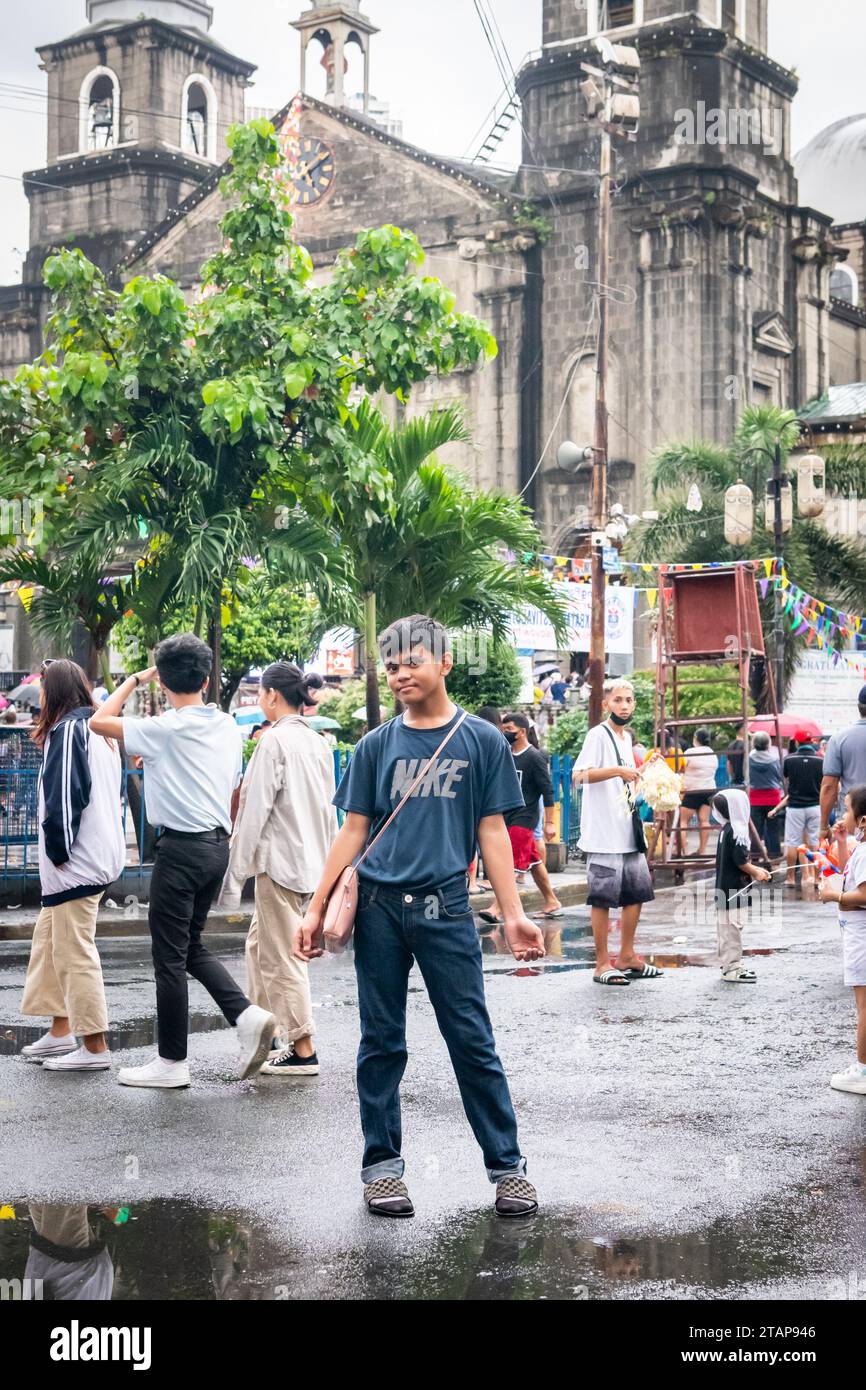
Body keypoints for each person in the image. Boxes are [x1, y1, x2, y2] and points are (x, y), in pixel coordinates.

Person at [295, 614, 545, 1220]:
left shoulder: (482, 741)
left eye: (412, 662)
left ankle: (507, 1168)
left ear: (444, 664)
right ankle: (381, 1169)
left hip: (448, 909)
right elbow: (351, 829)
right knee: (381, 1043)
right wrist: (315, 906)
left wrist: (512, 915)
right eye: (393, 666)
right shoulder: (377, 745)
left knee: (471, 1040)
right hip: (378, 910)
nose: (402, 674)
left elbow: (492, 831)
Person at [90, 634, 276, 1089]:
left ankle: (172, 1061)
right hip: (216, 848)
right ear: (208, 679)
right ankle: (246, 1015)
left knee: (168, 957)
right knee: (190, 946)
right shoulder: (226, 726)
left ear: (165, 682)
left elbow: (99, 721)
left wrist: (134, 678)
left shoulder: (164, 728)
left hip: (181, 850)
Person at [219, 661, 338, 1077]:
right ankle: (267, 1031)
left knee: (283, 958)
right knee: (259, 950)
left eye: (259, 694)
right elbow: (330, 810)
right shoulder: (319, 743)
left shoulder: (274, 742)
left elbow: (254, 812)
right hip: (311, 864)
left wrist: (234, 875)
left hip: (279, 864)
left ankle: (303, 1047)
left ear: (271, 695)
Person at [19, 660, 125, 1072]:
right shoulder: (98, 729)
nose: (40, 696)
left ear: (54, 692)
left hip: (75, 863)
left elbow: (66, 798)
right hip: (95, 857)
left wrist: (60, 854)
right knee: (50, 944)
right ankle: (61, 1029)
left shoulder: (67, 731)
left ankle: (94, 1046)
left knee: (73, 951)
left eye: (44, 688)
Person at [574, 678, 661, 986]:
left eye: (628, 700)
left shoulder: (626, 739)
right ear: (605, 704)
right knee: (602, 898)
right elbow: (578, 776)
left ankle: (626, 956)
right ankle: (601, 964)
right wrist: (617, 771)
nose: (624, 705)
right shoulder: (598, 735)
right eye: (618, 700)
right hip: (603, 833)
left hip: (628, 829)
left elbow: (626, 786)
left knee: (636, 895)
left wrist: (647, 774)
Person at [479, 712, 562, 924]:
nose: (505, 734)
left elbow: (548, 790)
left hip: (526, 816)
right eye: (503, 730)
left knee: (509, 862)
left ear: (522, 732)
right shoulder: (505, 754)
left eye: (509, 731)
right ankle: (552, 902)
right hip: (506, 815)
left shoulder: (534, 757)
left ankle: (498, 908)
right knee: (534, 861)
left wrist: (550, 822)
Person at [818, 785, 866, 1093]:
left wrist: (833, 894)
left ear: (863, 820)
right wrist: (841, 841)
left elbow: (863, 893)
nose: (843, 815)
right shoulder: (860, 848)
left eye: (847, 810)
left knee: (864, 1004)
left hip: (861, 937)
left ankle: (863, 1069)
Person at [711, 789, 772, 983]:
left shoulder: (726, 829)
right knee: (733, 929)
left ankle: (728, 964)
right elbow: (741, 862)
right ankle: (732, 968)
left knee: (726, 929)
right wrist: (757, 872)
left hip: (723, 888)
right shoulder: (737, 831)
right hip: (733, 890)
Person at [774, 729, 824, 888]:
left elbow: (786, 778)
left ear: (796, 742)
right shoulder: (820, 761)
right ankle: (817, 878)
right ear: (811, 742)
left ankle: (789, 878)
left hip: (795, 806)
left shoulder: (789, 760)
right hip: (815, 806)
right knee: (815, 843)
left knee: (793, 843)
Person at [821, 688, 866, 840]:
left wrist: (823, 826)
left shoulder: (839, 739)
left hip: (853, 823)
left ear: (859, 707)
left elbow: (829, 786)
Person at [679, 727, 718, 857]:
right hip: (709, 790)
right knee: (704, 820)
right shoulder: (712, 753)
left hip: (693, 790)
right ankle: (702, 851)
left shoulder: (690, 752)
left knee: (683, 821)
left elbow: (681, 768)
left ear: (696, 739)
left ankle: (684, 852)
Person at [748, 731, 783, 857]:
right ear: (768, 743)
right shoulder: (775, 759)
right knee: (773, 829)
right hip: (773, 798)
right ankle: (774, 856)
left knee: (755, 830)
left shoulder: (749, 759)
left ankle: (756, 856)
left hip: (755, 797)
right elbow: (780, 777)